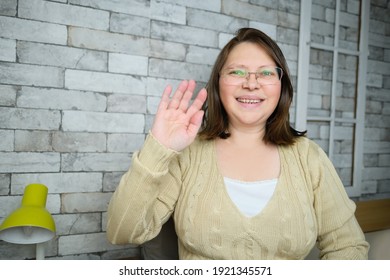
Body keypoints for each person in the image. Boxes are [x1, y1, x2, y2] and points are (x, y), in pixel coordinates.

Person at [106, 28, 369, 260]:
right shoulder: (188, 154)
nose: (251, 83)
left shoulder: (309, 156)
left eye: (266, 73)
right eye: (236, 71)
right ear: (218, 84)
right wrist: (158, 148)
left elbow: (348, 247)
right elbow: (122, 232)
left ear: (282, 86)